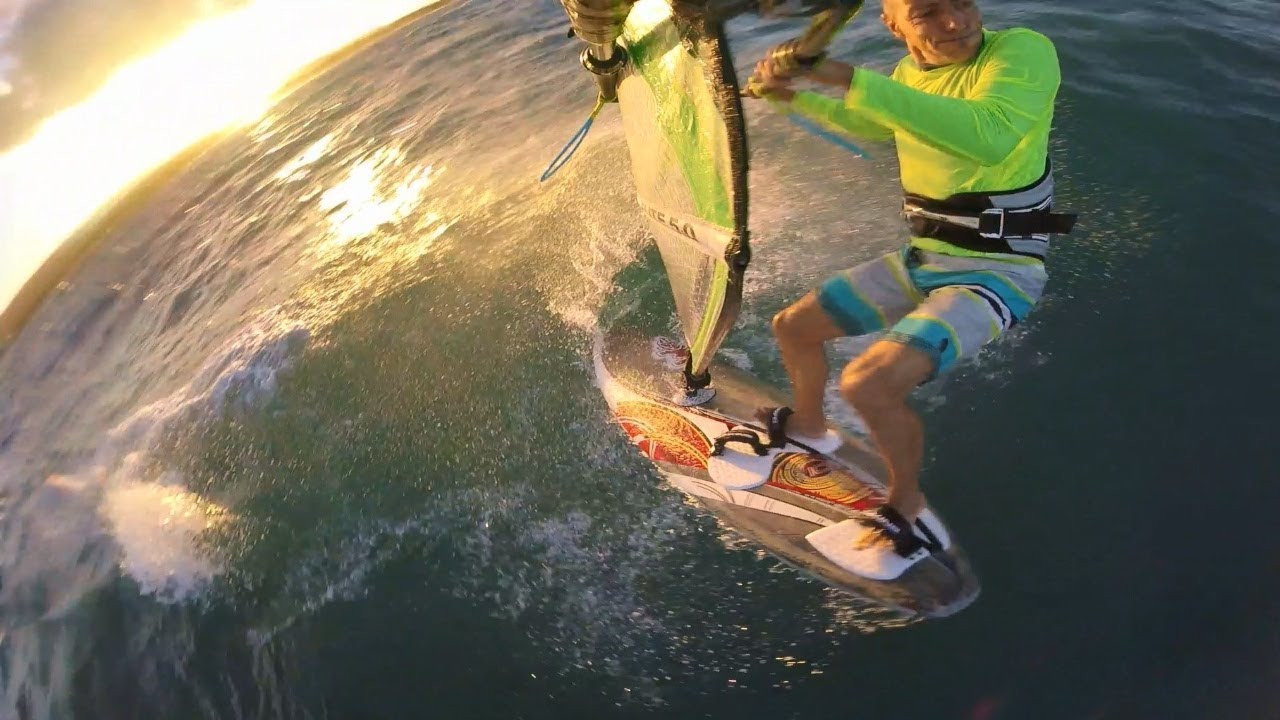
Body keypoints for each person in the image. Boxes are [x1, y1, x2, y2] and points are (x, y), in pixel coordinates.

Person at [746, 0, 1076, 580]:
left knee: (868, 385)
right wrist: (793, 96)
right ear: (892, 24)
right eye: (926, 13)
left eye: (962, 3)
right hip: (924, 259)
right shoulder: (907, 76)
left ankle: (907, 503)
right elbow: (882, 122)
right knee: (792, 328)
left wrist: (846, 76)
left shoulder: (1022, 50)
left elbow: (990, 138)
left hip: (998, 271)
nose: (956, 23)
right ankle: (808, 426)